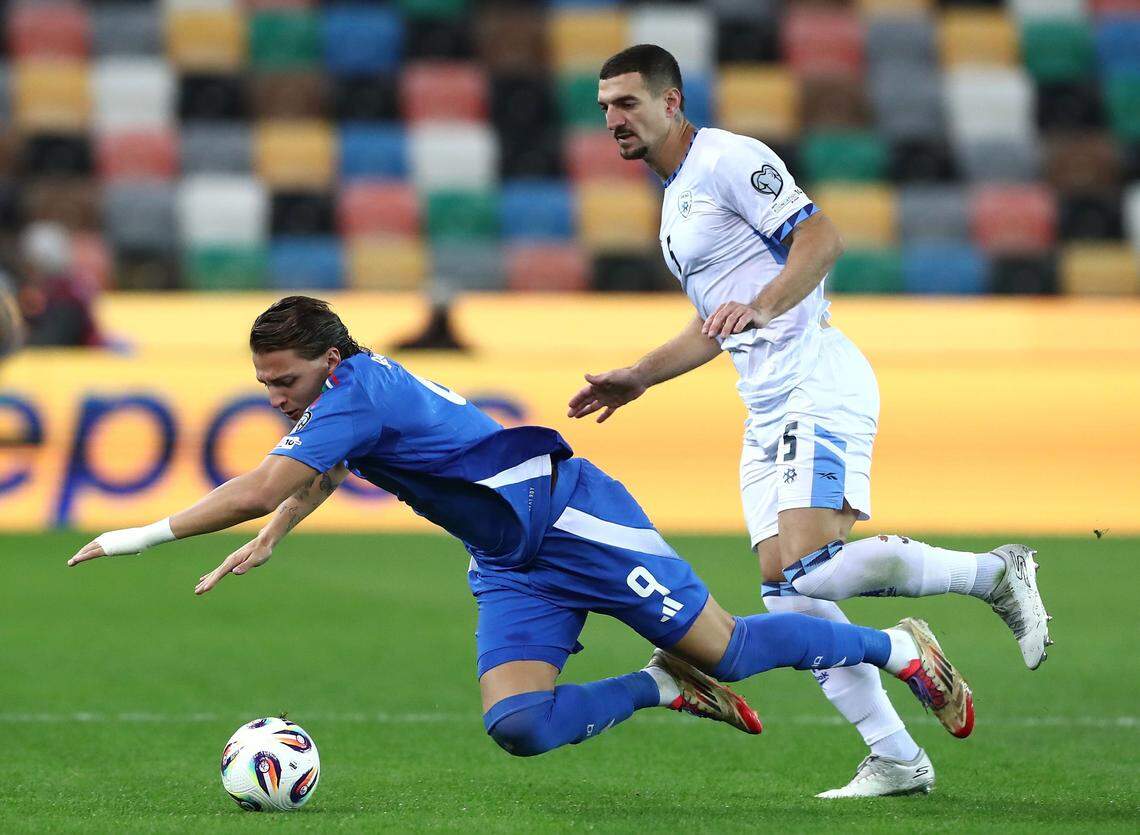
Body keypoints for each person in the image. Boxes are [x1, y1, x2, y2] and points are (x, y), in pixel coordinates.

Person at [69, 296, 978, 776]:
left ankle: (900, 646)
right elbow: (317, 469)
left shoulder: (358, 392)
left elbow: (274, 472)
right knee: (518, 725)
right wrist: (279, 530)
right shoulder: (352, 394)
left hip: (575, 519)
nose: (276, 395)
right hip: (511, 561)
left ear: (331, 364)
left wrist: (140, 535)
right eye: (266, 382)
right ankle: (660, 686)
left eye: (287, 380)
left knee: (733, 651)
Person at [566, 45, 1051, 797]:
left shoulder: (729, 160)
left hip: (814, 383)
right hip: (764, 405)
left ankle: (993, 573)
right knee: (788, 593)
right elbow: (712, 326)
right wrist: (640, 376)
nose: (612, 120)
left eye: (627, 103)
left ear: (672, 101)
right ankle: (895, 755)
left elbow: (821, 238)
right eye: (604, 107)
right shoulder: (672, 202)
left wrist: (763, 305)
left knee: (812, 562)